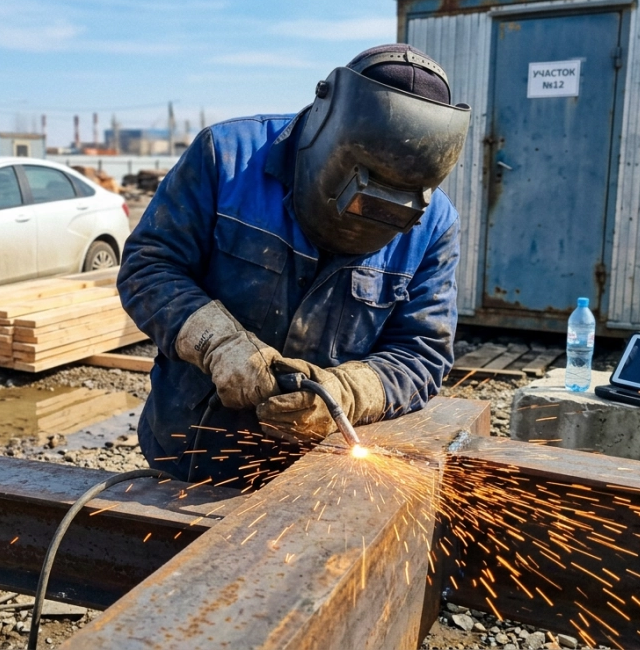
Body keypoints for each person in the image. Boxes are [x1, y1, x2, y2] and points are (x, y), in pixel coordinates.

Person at [117, 45, 470, 489]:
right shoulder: (226, 159)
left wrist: (346, 393)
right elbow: (148, 266)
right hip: (189, 453)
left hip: (321, 473)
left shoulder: (434, 223)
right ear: (326, 129)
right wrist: (218, 343)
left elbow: (422, 354)